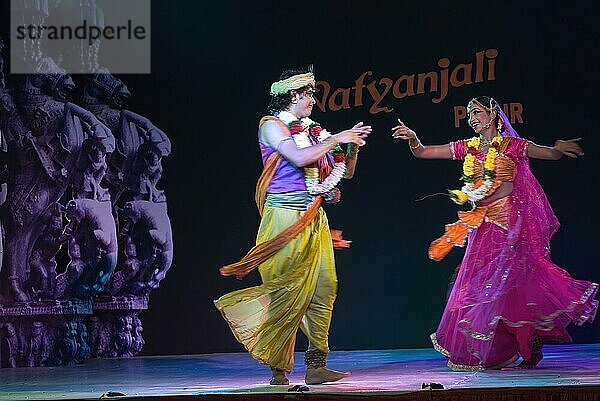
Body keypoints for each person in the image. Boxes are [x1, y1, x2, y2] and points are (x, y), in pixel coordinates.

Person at [392, 96, 598, 371]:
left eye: (476, 112)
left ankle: (529, 339)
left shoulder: (512, 145)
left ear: (493, 114)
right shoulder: (469, 147)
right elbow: (424, 153)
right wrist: (414, 139)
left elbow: (546, 153)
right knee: (483, 287)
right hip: (482, 224)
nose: (472, 117)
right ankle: (504, 346)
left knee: (512, 283)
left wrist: (557, 149)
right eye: (468, 114)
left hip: (509, 224)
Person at [214, 68, 371, 385]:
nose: (313, 99)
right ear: (294, 95)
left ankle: (316, 365)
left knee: (324, 288)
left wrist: (350, 148)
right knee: (287, 291)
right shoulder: (271, 127)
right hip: (284, 219)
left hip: (314, 219)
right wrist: (336, 140)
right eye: (309, 93)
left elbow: (346, 172)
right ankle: (279, 370)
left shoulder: (315, 132)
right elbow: (299, 158)